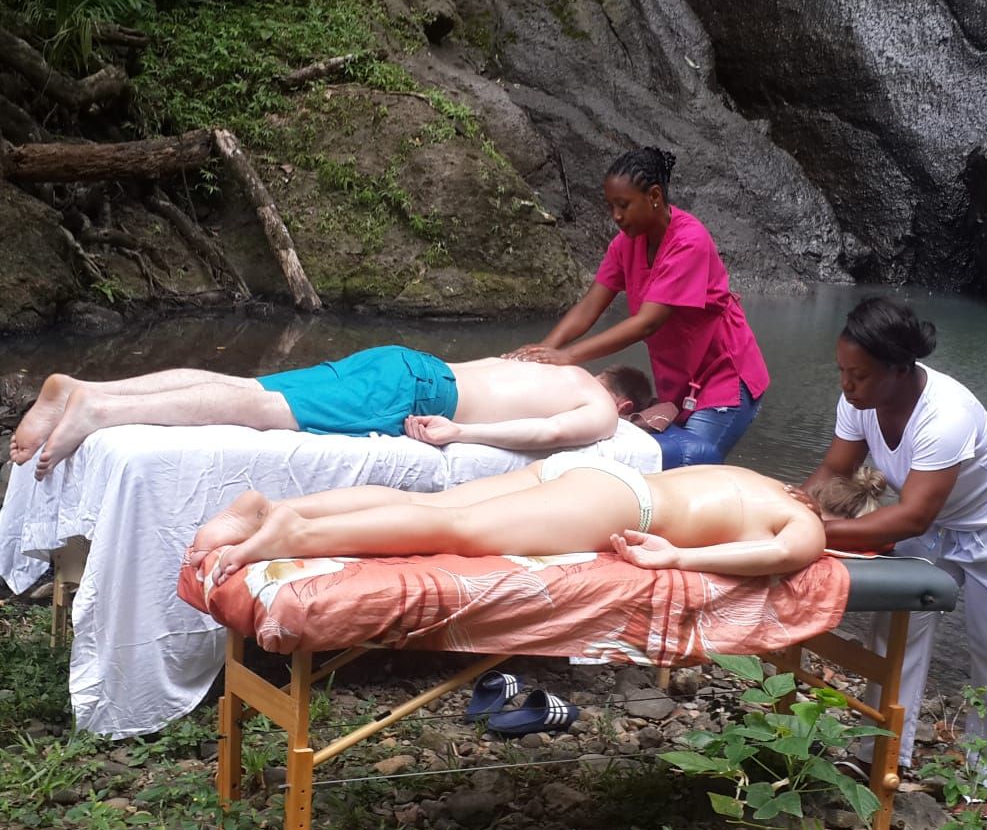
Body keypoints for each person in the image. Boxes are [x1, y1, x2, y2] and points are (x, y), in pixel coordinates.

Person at [801, 295, 987, 792]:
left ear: (898, 369)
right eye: (842, 371)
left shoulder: (946, 414)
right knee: (896, 630)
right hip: (936, 527)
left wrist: (815, 533)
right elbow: (834, 470)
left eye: (859, 375)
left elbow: (913, 516)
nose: (846, 384)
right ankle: (881, 752)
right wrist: (791, 511)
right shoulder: (861, 400)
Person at [508, 148, 769, 469]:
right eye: (611, 206)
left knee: (688, 471)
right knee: (662, 468)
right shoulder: (625, 245)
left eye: (623, 205)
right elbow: (590, 306)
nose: (616, 216)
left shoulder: (690, 241)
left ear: (655, 196)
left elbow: (648, 322)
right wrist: (541, 353)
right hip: (680, 382)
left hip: (724, 378)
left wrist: (567, 357)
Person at [10, 351, 654, 480]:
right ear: (624, 402)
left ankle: (88, 384)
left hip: (409, 363)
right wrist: (460, 433)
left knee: (247, 382)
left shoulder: (554, 366)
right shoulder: (602, 408)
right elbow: (546, 435)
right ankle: (98, 408)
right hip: (418, 396)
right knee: (259, 408)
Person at [192, 457, 826, 583]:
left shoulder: (768, 480)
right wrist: (677, 557)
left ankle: (272, 509)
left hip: (594, 474)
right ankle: (296, 536)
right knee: (455, 533)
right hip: (624, 506)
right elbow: (775, 558)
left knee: (437, 507)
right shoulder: (805, 522)